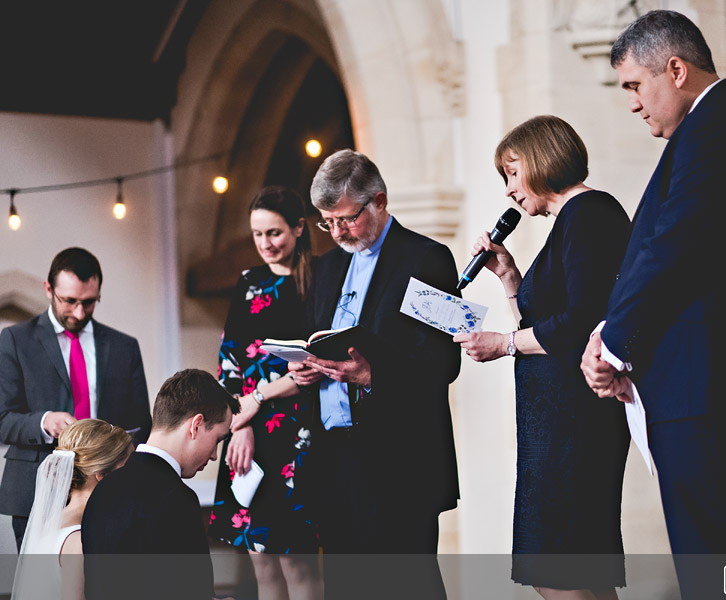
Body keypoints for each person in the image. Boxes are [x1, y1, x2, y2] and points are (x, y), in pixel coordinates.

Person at [580, 8, 726, 570]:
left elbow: (675, 245)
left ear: (675, 70)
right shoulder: (717, 126)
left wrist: (612, 343)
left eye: (635, 84)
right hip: (708, 385)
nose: (632, 102)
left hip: (716, 389)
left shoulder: (722, 125)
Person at [453, 115, 631, 600]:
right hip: (554, 421)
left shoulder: (590, 213)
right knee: (576, 571)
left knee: (554, 570)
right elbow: (543, 324)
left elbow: (582, 323)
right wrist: (509, 277)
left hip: (575, 422)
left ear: (541, 159)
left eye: (512, 172)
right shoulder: (570, 222)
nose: (509, 190)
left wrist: (504, 344)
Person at [288, 149, 460, 597]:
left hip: (399, 461)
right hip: (334, 456)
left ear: (379, 201)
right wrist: (309, 371)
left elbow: (447, 361)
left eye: (346, 219)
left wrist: (372, 375)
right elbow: (317, 341)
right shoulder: (326, 268)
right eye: (328, 221)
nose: (338, 232)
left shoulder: (428, 258)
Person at [208, 185, 322, 600]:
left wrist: (259, 399)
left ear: (298, 228)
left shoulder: (322, 280)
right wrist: (240, 424)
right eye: (257, 235)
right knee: (261, 560)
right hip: (248, 432)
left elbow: (317, 364)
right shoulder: (248, 282)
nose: (265, 244)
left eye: (273, 233)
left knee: (296, 561)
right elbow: (230, 361)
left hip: (299, 432)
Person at [0, 247, 152, 550]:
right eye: (69, 301)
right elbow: (3, 420)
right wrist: (44, 421)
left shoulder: (125, 347)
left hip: (108, 490)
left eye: (89, 302)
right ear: (49, 289)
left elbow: (141, 423)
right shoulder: (15, 340)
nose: (79, 313)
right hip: (37, 491)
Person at [81, 369, 239, 600]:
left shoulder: (102, 490)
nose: (215, 455)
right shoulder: (177, 498)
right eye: (217, 440)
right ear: (196, 425)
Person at [11, 419, 134, 600]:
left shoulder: (51, 523)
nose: (134, 475)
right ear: (102, 475)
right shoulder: (79, 540)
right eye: (128, 467)